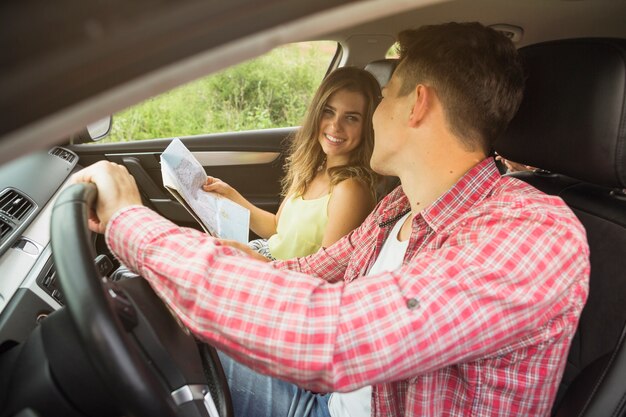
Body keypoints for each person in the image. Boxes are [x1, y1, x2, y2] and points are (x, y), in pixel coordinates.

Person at [73, 22, 590, 417]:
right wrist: (221, 261)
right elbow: (310, 272)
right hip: (329, 394)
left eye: (383, 98)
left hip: (330, 397)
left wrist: (131, 222)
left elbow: (333, 336)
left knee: (128, 361)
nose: (374, 115)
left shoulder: (533, 232)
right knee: (140, 322)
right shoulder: (400, 206)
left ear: (417, 105)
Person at [202, 67, 381, 260]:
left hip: (285, 278)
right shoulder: (314, 168)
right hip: (266, 255)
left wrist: (249, 258)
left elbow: (324, 271)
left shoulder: (351, 190)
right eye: (328, 112)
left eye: (351, 118)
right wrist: (230, 195)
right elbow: (277, 228)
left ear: (367, 126)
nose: (335, 126)